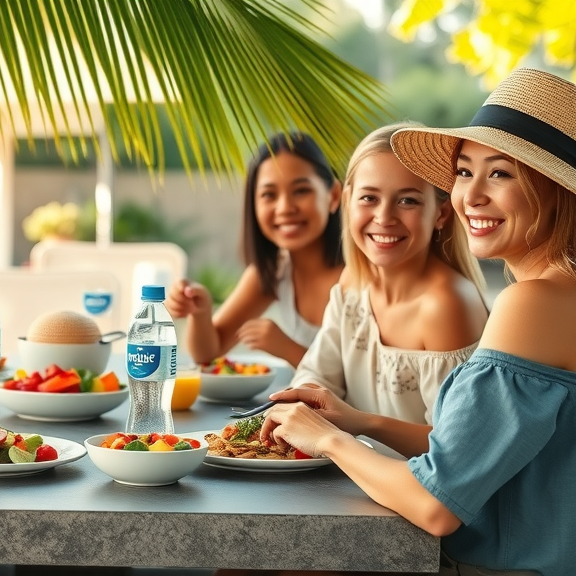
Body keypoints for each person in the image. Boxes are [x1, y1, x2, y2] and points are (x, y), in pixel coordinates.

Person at [261, 68, 576, 576]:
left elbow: (436, 505)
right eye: (464, 172)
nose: (470, 196)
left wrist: (328, 440)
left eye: (500, 174)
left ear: (558, 190)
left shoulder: (533, 303)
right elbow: (467, 449)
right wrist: (359, 421)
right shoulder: (558, 295)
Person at [285, 122, 488, 456]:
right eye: (369, 198)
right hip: (350, 476)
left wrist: (361, 422)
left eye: (407, 200)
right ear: (347, 201)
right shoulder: (353, 282)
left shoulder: (446, 304)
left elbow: (457, 449)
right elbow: (319, 372)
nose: (384, 217)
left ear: (441, 213)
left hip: (406, 486)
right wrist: (305, 400)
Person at [165, 133, 343, 367]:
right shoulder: (274, 272)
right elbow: (208, 353)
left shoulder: (361, 273)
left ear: (334, 196)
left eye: (301, 191)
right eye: (269, 195)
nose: (285, 208)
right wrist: (200, 313)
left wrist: (288, 349)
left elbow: (360, 379)